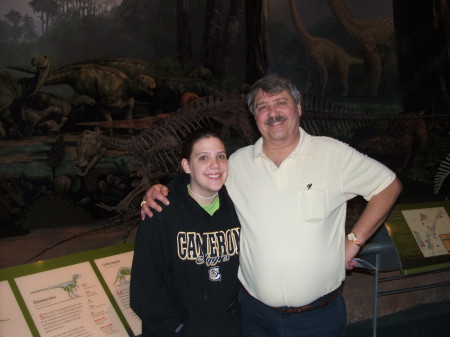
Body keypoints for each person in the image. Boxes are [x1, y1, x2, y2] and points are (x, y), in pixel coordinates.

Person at [140, 74, 402, 337]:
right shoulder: (239, 164)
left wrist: (353, 242)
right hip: (254, 316)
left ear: (298, 108)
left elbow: (388, 186)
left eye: (281, 103)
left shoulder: (334, 154)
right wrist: (162, 190)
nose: (273, 113)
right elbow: (201, 181)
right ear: (255, 117)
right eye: (263, 107)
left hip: (319, 317)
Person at [130, 130, 241, 337]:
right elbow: (145, 289)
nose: (215, 165)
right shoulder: (160, 210)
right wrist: (177, 329)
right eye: (203, 157)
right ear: (186, 165)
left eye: (221, 156)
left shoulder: (240, 207)